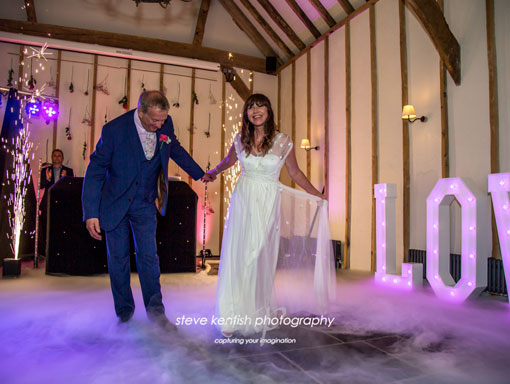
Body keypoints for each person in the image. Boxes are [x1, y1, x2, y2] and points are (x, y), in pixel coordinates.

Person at [207, 94, 336, 337]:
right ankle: (231, 313)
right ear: (246, 113)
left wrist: (316, 194)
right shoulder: (240, 139)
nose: (256, 110)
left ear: (269, 110)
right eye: (251, 107)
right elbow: (228, 161)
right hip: (243, 200)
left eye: (260, 106)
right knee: (238, 255)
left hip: (267, 203)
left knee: (256, 256)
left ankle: (256, 308)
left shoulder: (282, 141)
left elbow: (295, 173)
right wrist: (212, 172)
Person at [82, 90, 212, 325]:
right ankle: (124, 311)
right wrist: (91, 211)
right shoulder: (113, 131)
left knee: (149, 257)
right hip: (116, 202)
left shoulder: (165, 124)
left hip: (144, 202)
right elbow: (96, 170)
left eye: (163, 120)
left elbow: (175, 149)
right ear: (140, 112)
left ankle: (156, 312)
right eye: (154, 120)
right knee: (119, 258)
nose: (159, 125)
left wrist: (199, 173)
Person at [38, 149, 74, 256]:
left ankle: (60, 250)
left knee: (60, 227)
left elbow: (71, 187)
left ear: (62, 158)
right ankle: (45, 251)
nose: (57, 157)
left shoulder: (69, 171)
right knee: (46, 226)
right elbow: (41, 185)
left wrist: (64, 179)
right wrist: (48, 179)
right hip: (48, 203)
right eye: (55, 155)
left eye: (59, 156)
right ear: (52, 158)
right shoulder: (46, 170)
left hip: (62, 203)